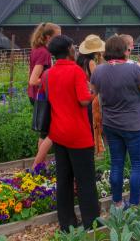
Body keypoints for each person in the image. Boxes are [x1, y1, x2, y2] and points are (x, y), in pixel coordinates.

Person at [90, 35, 140, 207]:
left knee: (116, 163)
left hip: (110, 124)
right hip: (133, 125)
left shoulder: (98, 71)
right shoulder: (134, 70)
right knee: (137, 164)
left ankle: (117, 203)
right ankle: (134, 204)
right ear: (123, 50)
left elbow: (91, 95)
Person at [43, 35, 99, 230]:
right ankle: (92, 222)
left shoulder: (47, 74)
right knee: (85, 181)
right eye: (73, 46)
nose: (75, 48)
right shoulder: (75, 71)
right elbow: (84, 100)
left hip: (58, 133)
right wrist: (95, 91)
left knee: (64, 179)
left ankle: (66, 223)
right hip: (78, 134)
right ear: (68, 50)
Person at [28, 22, 61, 167]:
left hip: (36, 96)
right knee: (51, 133)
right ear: (48, 37)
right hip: (42, 97)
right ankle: (36, 167)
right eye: (57, 37)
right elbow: (33, 80)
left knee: (44, 132)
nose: (60, 40)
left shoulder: (37, 49)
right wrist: (53, 78)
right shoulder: (44, 53)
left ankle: (42, 165)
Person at [77, 34, 105, 154]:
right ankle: (96, 150)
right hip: (91, 95)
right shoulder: (91, 62)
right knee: (94, 124)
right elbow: (97, 78)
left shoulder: (79, 61)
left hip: (82, 93)